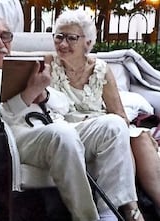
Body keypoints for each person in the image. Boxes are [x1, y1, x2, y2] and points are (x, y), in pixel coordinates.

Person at [0, 16, 144, 221]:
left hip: (54, 124)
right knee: (62, 134)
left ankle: (108, 214)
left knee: (114, 125)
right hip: (16, 137)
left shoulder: (25, 65)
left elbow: (63, 104)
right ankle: (87, 218)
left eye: (5, 36)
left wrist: (44, 94)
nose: (1, 43)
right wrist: (29, 93)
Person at [48, 9, 160, 216]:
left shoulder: (101, 69)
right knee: (118, 130)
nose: (63, 44)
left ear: (88, 43)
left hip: (106, 126)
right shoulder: (47, 64)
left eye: (71, 38)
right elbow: (10, 61)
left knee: (140, 138)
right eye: (59, 37)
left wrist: (127, 131)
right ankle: (130, 210)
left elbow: (119, 113)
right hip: (71, 130)